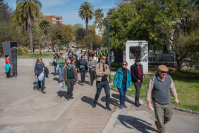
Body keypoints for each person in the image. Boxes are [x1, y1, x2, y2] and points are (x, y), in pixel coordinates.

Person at [146, 65, 179, 133]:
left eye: (165, 72)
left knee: (168, 117)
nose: (164, 73)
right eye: (162, 72)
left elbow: (172, 87)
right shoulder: (153, 79)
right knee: (161, 121)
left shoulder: (169, 78)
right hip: (157, 103)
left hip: (167, 102)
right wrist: (149, 102)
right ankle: (161, 127)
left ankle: (158, 124)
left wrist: (176, 97)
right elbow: (149, 91)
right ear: (158, 71)